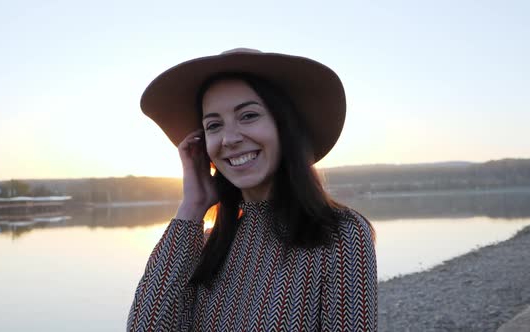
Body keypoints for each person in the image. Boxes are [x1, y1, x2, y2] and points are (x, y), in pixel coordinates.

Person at [127, 48, 378, 331]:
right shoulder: (206, 246)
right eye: (214, 125)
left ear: (283, 126)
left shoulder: (339, 235)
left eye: (248, 116)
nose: (230, 139)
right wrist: (192, 207)